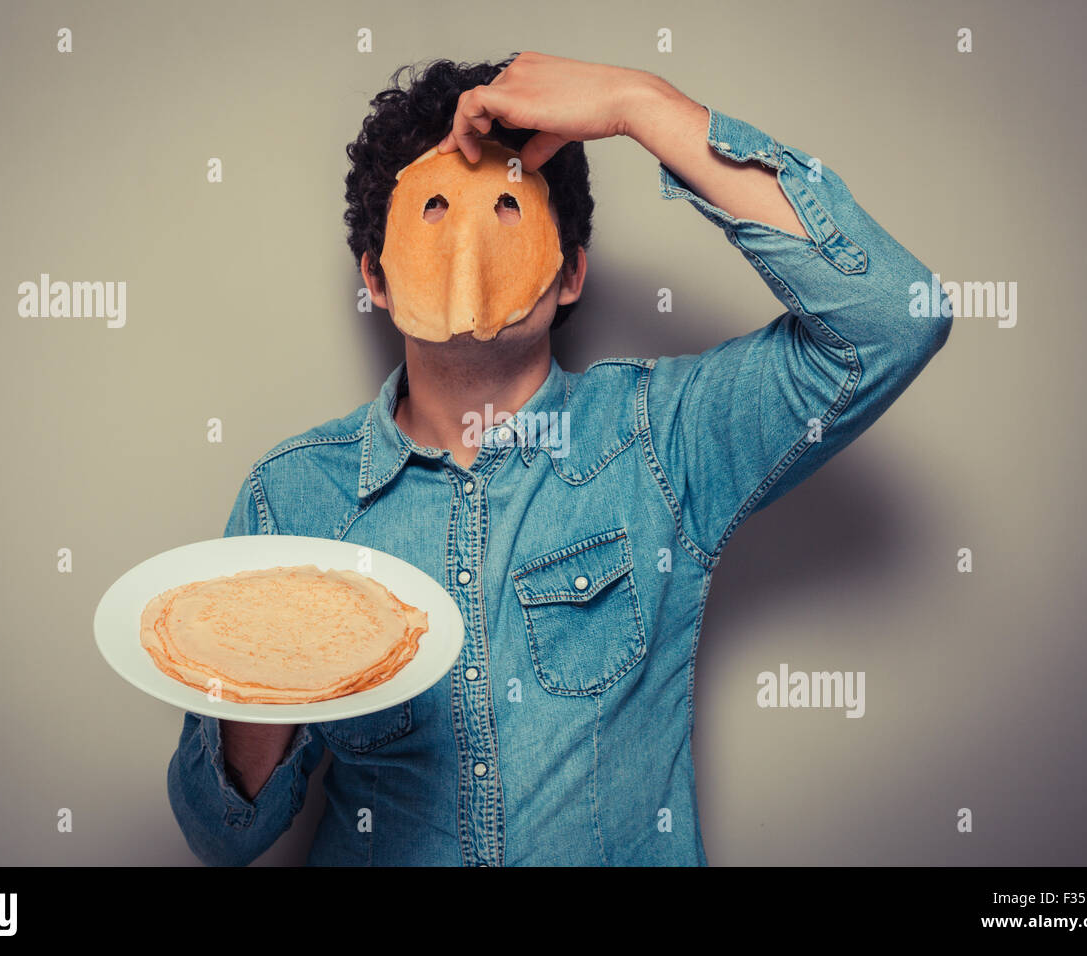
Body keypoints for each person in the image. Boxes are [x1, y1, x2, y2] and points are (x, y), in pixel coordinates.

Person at [165, 50, 952, 866]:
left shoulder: (663, 439)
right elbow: (222, 836)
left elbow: (895, 318)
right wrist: (267, 658)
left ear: (571, 272)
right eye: (433, 208)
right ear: (378, 277)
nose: (468, 246)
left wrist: (640, 105)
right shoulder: (290, 501)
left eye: (507, 207)